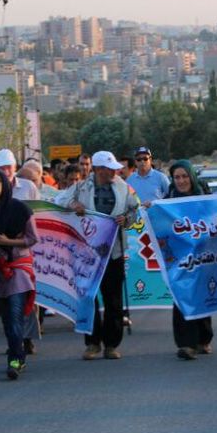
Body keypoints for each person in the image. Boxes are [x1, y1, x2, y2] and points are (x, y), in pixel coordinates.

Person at [54, 151, 140, 360]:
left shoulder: (124, 187)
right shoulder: (82, 187)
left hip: (114, 250)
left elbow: (135, 210)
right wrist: (74, 206)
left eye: (114, 168)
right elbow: (58, 201)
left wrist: (126, 219)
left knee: (113, 299)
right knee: (88, 297)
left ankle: (111, 344)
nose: (113, 171)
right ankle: (92, 343)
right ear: (99, 169)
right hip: (87, 251)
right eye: (109, 168)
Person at [0, 169, 38, 379]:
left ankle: (14, 360)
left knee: (15, 317)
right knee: (6, 320)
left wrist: (9, 242)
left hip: (17, 269)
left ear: (4, 186)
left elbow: (32, 239)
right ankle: (17, 353)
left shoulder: (20, 209)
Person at [166, 160, 216, 359]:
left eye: (185, 176)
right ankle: (186, 343)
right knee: (181, 295)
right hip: (179, 257)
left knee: (202, 294)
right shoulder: (168, 199)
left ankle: (203, 339)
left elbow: (215, 218)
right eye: (177, 177)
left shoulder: (203, 196)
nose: (181, 181)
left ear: (191, 177)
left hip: (203, 254)